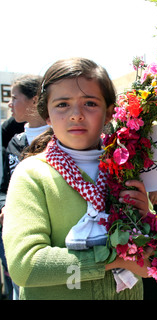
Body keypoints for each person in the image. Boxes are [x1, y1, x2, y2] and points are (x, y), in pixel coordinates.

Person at [2, 58, 152, 300]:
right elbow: (25, 266)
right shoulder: (32, 175)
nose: (76, 115)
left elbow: (150, 256)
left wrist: (147, 218)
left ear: (109, 113)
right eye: (62, 104)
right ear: (47, 115)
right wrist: (115, 259)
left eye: (90, 103)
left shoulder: (124, 169)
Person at [0, 74, 49, 300]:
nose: (9, 103)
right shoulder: (14, 141)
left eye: (14, 97)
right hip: (15, 226)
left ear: (34, 100)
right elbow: (4, 186)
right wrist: (5, 206)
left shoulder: (58, 139)